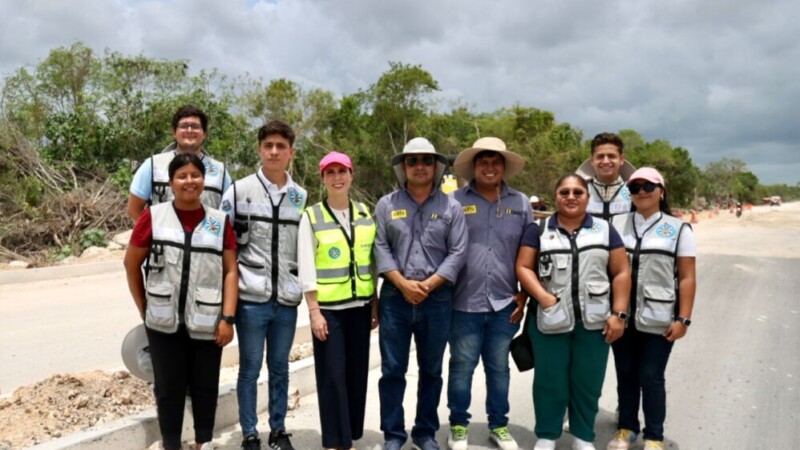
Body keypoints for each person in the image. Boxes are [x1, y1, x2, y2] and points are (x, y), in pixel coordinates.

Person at [124, 153, 239, 450]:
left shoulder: (218, 222)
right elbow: (131, 264)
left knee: (205, 387)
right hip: (162, 322)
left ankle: (203, 442)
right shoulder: (153, 216)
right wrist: (144, 308)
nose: (190, 181)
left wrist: (227, 319)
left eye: (195, 175)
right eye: (182, 176)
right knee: (168, 389)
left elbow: (230, 271)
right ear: (171, 183)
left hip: (208, 320)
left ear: (204, 181)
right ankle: (171, 444)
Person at [516, 173, 631, 450]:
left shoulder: (605, 230)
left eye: (577, 192)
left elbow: (621, 271)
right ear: (555, 196)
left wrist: (619, 314)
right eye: (564, 192)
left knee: (587, 382)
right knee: (549, 381)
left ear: (587, 197)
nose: (570, 197)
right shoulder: (539, 230)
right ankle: (547, 435)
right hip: (549, 319)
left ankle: (583, 435)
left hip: (594, 321)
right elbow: (523, 267)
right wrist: (543, 298)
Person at [374, 137, 468, 450]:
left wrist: (428, 285)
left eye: (426, 160)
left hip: (437, 299)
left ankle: (425, 432)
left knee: (431, 370)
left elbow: (457, 251)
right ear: (403, 167)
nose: (419, 166)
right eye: (412, 161)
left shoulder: (452, 206)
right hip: (394, 299)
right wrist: (402, 283)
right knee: (392, 371)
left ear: (436, 167)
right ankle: (393, 434)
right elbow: (381, 247)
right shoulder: (386, 204)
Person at [220, 121, 307, 450]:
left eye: (280, 146)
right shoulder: (238, 191)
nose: (274, 151)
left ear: (290, 153)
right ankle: (250, 434)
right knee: (249, 368)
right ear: (259, 149)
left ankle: (279, 430)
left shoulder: (301, 196)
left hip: (285, 299)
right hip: (251, 299)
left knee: (280, 368)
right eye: (268, 145)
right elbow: (223, 246)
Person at [446, 137, 532, 450]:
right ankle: (458, 425)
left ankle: (498, 425)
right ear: (474, 166)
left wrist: (525, 294)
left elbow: (530, 252)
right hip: (462, 303)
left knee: (499, 369)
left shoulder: (521, 204)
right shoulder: (453, 201)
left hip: (504, 303)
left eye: (496, 162)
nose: (490, 167)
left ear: (504, 167)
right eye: (484, 162)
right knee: (461, 367)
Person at [606, 167, 696, 450]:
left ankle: (654, 436)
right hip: (622, 316)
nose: (641, 191)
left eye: (648, 186)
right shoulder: (617, 225)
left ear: (661, 191)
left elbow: (687, 277)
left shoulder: (679, 228)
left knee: (651, 376)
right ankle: (626, 428)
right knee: (626, 373)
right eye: (634, 187)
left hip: (659, 318)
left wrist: (684, 319)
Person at [297, 151, 379, 450]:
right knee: (332, 376)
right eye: (330, 172)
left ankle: (351, 435)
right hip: (329, 310)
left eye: (342, 171)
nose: (337, 178)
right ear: (322, 178)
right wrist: (314, 311)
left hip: (359, 308)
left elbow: (371, 261)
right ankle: (334, 441)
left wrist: (374, 304)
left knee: (357, 374)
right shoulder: (312, 216)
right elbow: (306, 266)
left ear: (351, 174)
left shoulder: (364, 213)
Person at [127, 105, 232, 221]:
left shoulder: (220, 171)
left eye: (195, 126)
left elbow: (229, 214)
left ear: (204, 133)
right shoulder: (153, 165)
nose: (189, 130)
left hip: (206, 238)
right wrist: (151, 234)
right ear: (174, 132)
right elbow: (134, 209)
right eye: (184, 126)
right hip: (163, 238)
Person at [584, 132, 633, 225]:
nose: (606, 161)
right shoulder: (580, 191)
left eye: (611, 156)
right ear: (592, 161)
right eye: (600, 156)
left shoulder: (634, 191)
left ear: (621, 159)